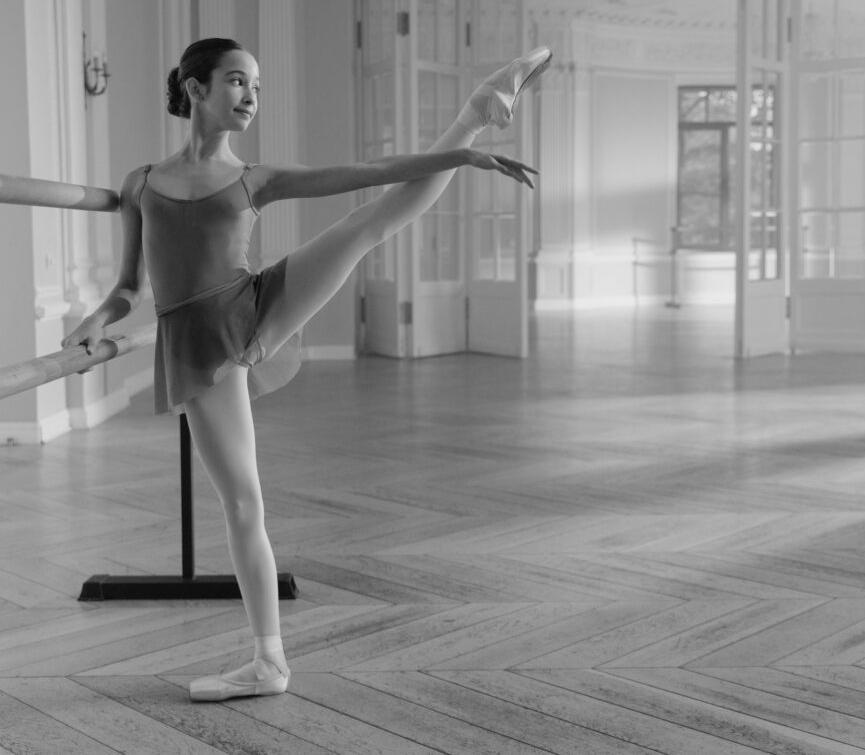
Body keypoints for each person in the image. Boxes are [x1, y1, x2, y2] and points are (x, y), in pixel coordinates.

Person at [62, 37, 551, 701]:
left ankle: (474, 108)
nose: (251, 97)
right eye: (238, 81)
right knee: (242, 503)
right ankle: (267, 660)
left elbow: (371, 171)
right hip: (198, 344)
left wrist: (461, 151)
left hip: (253, 303)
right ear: (195, 86)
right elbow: (131, 287)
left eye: (257, 87)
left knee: (365, 224)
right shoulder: (141, 183)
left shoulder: (254, 178)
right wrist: (97, 321)